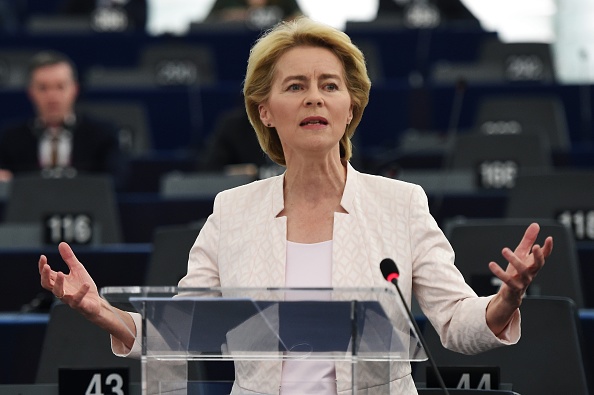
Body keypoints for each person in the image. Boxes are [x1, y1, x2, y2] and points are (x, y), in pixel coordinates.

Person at [39, 17, 553, 394]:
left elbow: (456, 322)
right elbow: (179, 331)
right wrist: (101, 310)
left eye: (330, 86)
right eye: (295, 86)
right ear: (265, 110)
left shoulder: (400, 204)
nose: (314, 98)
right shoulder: (232, 211)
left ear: (349, 106)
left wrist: (503, 302)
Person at [0, 50, 124, 184]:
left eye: (60, 87)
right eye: (43, 88)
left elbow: (116, 181)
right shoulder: (10, 138)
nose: (52, 96)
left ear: (75, 89)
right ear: (31, 92)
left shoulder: (102, 134)